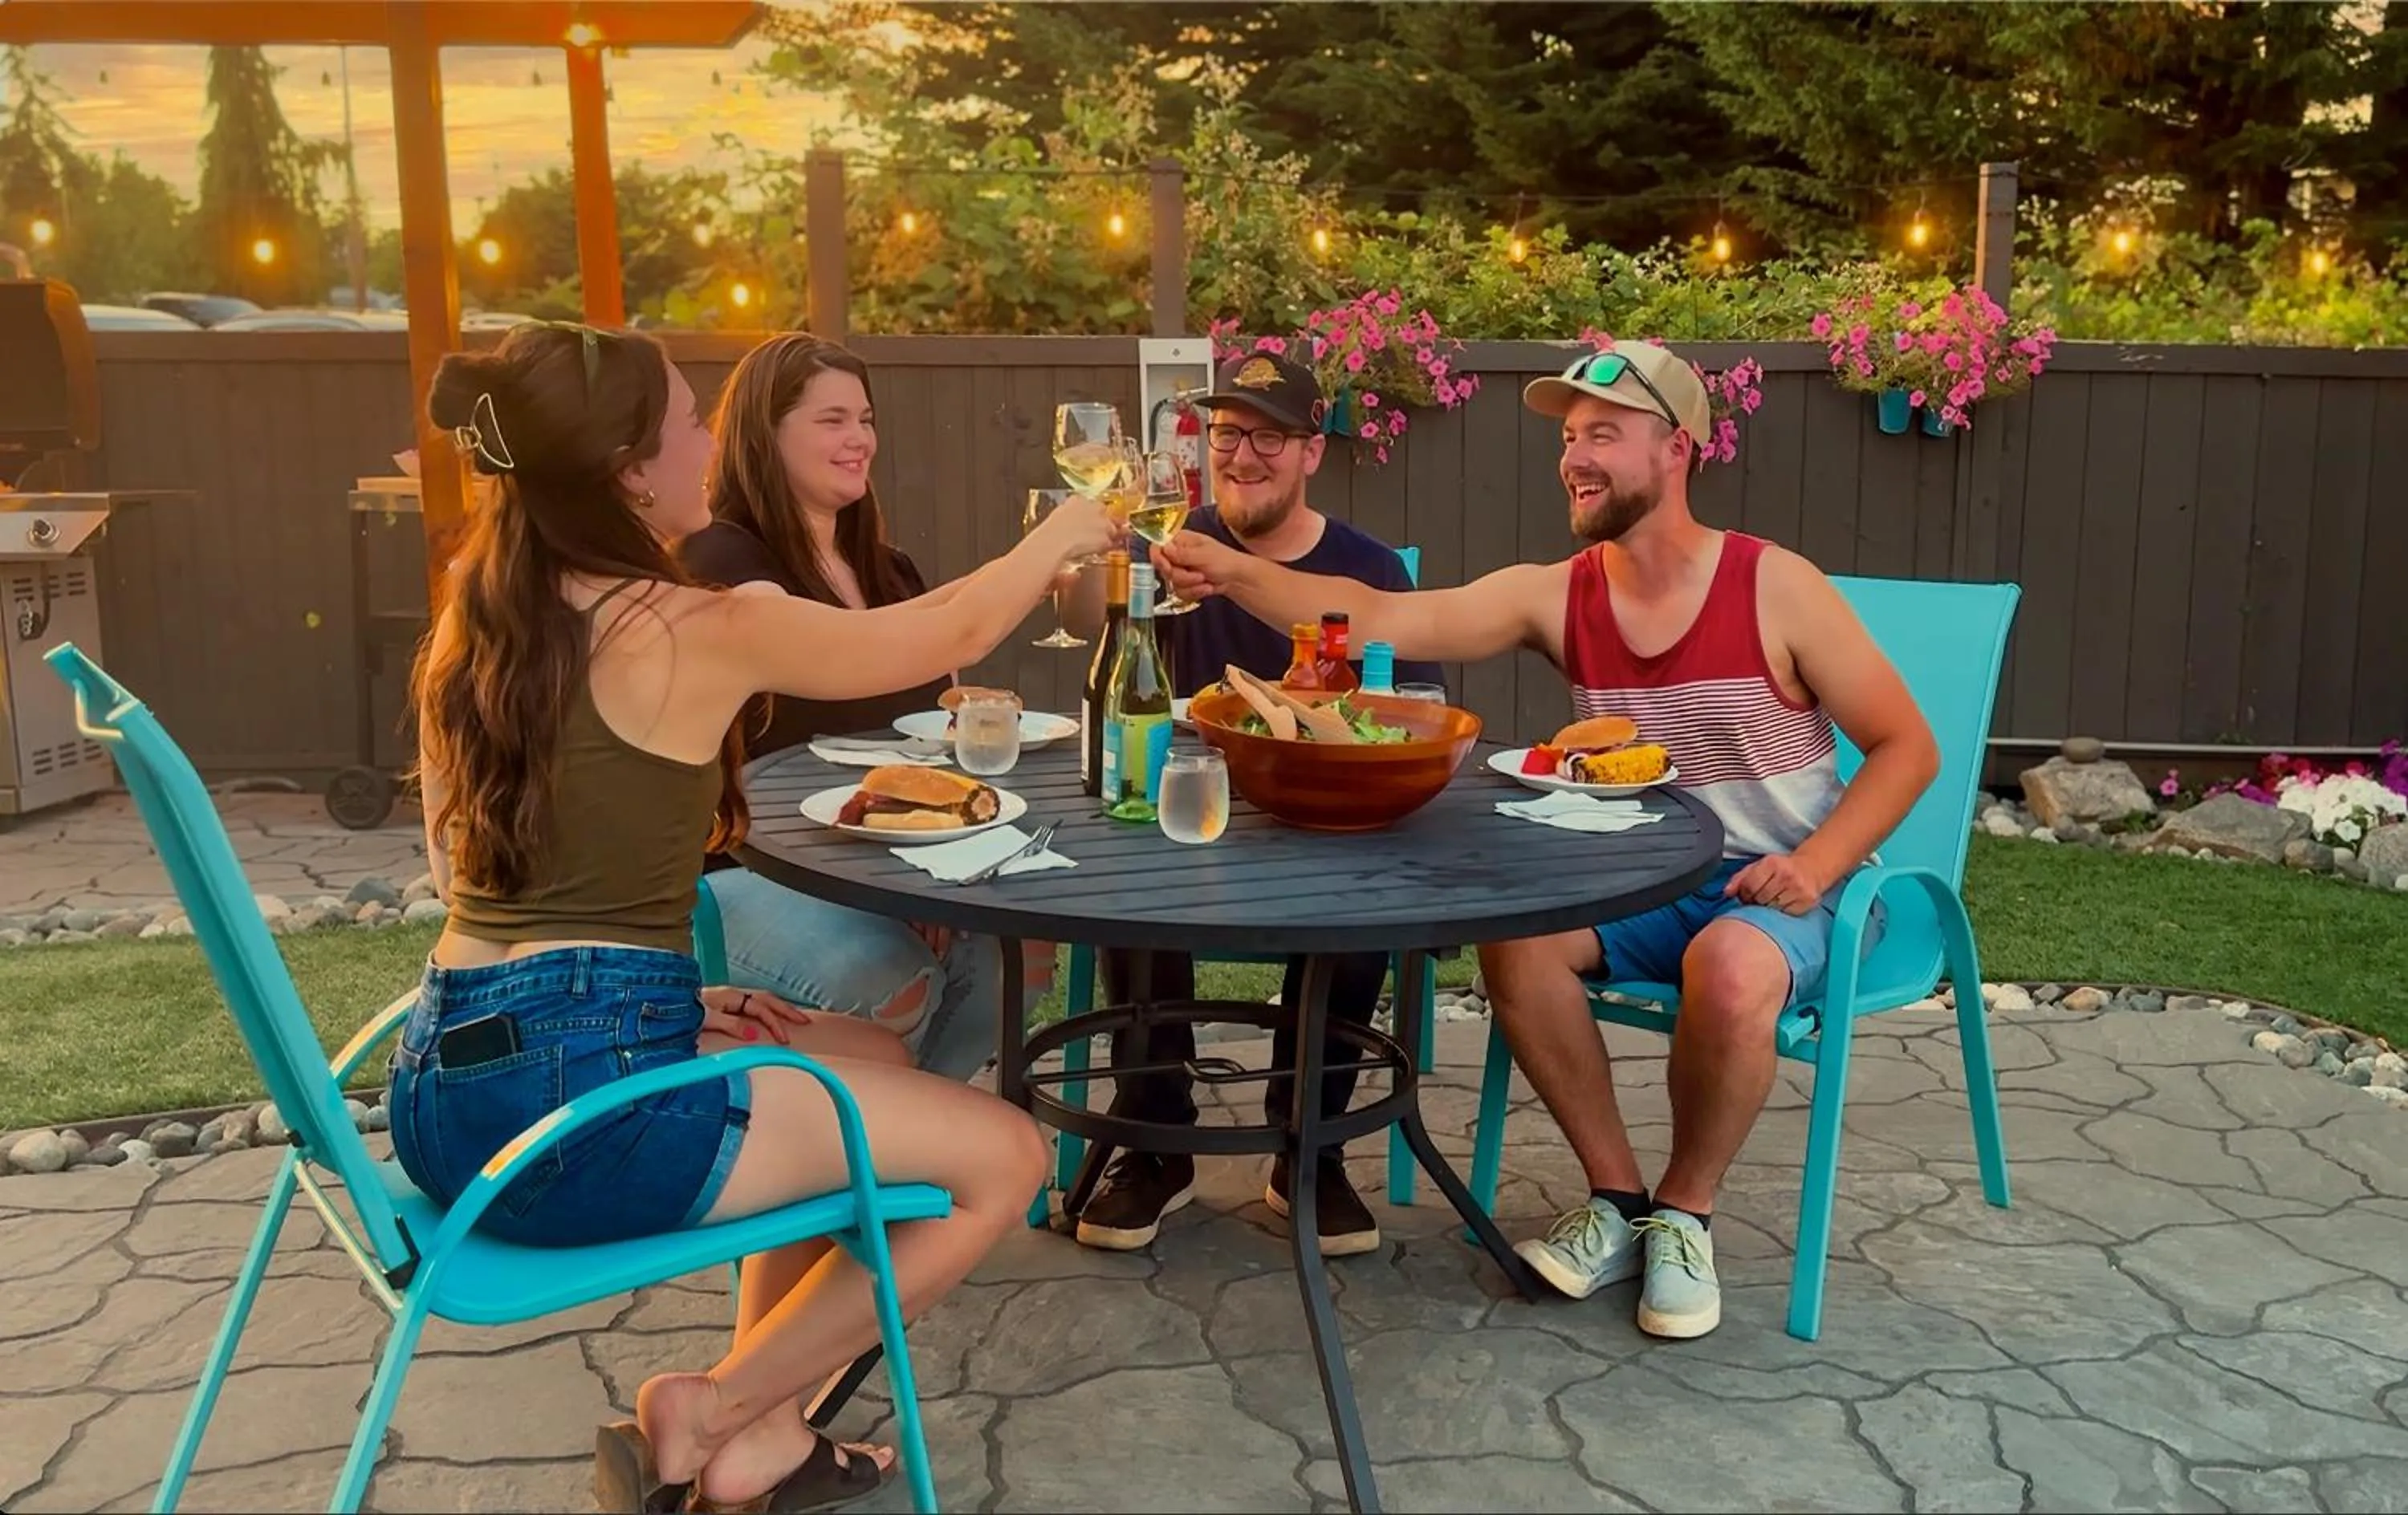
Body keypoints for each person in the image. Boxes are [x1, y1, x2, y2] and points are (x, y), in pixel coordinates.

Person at [393, 321, 1112, 1510]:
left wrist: (661, 1000)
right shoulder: (692, 623)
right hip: (573, 1121)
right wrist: (1065, 530)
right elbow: (951, 636)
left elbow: (456, 874)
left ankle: (766, 1427)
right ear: (630, 466)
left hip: (445, 1086)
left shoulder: (470, 631)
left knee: (863, 1054)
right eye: (687, 421)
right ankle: (714, 1407)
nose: (705, 440)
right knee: (1008, 1158)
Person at [1153, 340, 1936, 1340]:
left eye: (1604, 434)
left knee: (1731, 966)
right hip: (1651, 877)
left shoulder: (1773, 586)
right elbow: (1387, 613)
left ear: (1678, 449)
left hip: (1791, 887)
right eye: (1570, 439)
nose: (1576, 457)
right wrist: (1230, 568)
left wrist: (1817, 864)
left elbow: (1908, 746)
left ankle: (1683, 1214)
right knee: (1516, 933)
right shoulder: (1559, 593)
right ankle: (1617, 1200)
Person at [1072, 350, 1442, 1258]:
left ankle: (1307, 1146)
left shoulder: (1366, 571)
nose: (1242, 456)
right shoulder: (1168, 542)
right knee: (1133, 871)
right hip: (1187, 816)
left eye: (1267, 436)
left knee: (1366, 886)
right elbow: (1092, 633)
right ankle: (1155, 1144)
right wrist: (1087, 557)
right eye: (1227, 433)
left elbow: (1417, 713)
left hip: (1317, 816)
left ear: (1314, 450)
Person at [678, 333, 1005, 1082]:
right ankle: (885, 1156)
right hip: (752, 868)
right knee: (886, 973)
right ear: (766, 432)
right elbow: (845, 654)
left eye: (865, 418)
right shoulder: (723, 562)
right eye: (831, 420)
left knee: (995, 954)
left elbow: (935, 738)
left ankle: (925, 1156)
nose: (859, 438)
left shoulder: (890, 571)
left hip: (884, 865)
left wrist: (922, 875)